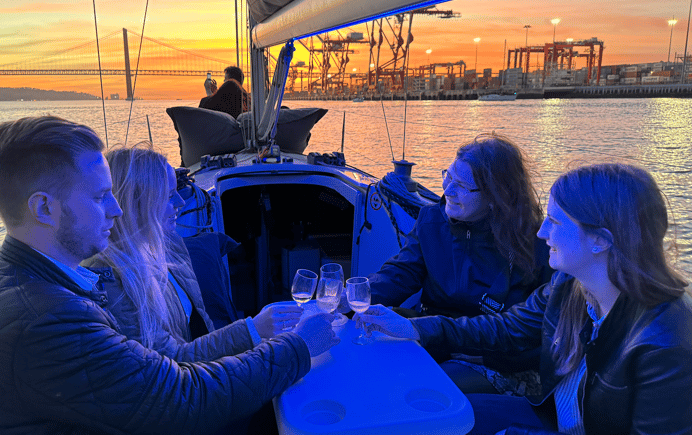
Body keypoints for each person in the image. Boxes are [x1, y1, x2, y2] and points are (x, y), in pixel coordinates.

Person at [0, 115, 338, 435]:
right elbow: (182, 399)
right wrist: (298, 347)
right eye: (98, 197)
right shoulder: (43, 317)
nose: (116, 210)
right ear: (43, 209)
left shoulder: (29, 280)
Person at [357, 163, 692, 435]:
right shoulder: (569, 287)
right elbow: (504, 328)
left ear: (600, 241)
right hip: (548, 416)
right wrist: (413, 327)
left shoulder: (666, 341)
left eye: (555, 221)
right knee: (433, 418)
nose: (542, 232)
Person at [359, 133, 551, 393]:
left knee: (420, 386)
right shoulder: (431, 220)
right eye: (447, 177)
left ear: (496, 196)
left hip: (493, 354)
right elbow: (401, 273)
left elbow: (537, 333)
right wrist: (356, 297)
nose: (447, 191)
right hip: (431, 332)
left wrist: (487, 357)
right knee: (367, 353)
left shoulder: (535, 245)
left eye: (461, 185)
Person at [83, 143, 302, 360]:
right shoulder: (112, 284)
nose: (180, 202)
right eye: (169, 196)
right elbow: (171, 361)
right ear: (136, 204)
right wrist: (253, 330)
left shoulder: (168, 246)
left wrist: (255, 339)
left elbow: (202, 327)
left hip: (206, 369)